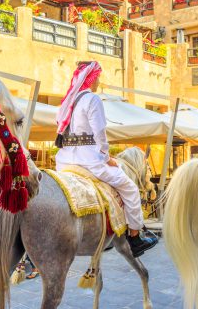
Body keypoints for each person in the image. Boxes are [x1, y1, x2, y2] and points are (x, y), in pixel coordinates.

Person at [55, 61, 158, 257]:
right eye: (97, 78)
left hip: (65, 161)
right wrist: (105, 156)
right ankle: (135, 238)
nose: (98, 82)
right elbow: (100, 133)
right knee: (130, 188)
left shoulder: (66, 102)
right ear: (91, 79)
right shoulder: (92, 100)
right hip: (89, 160)